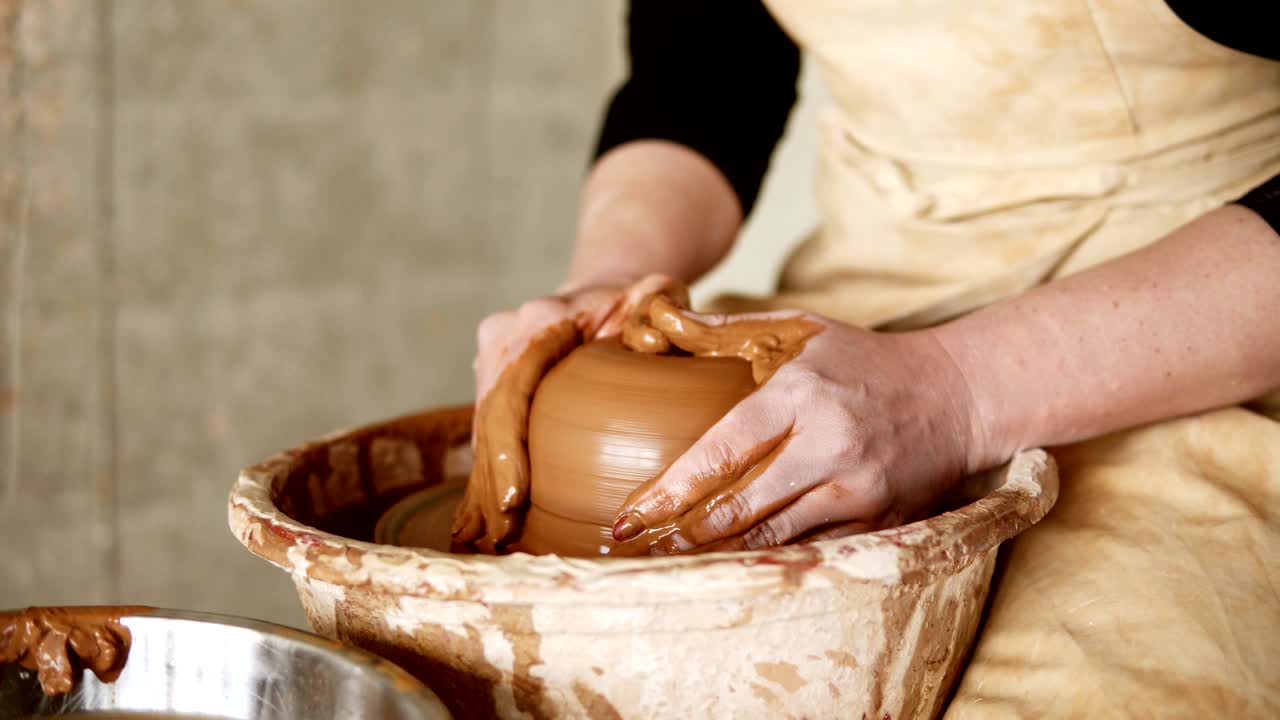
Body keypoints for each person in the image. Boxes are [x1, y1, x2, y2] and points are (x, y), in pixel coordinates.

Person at [459, 1, 1279, 714]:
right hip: (862, 297)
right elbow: (700, 76)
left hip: (1198, 324)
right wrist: (610, 283)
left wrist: (958, 392)